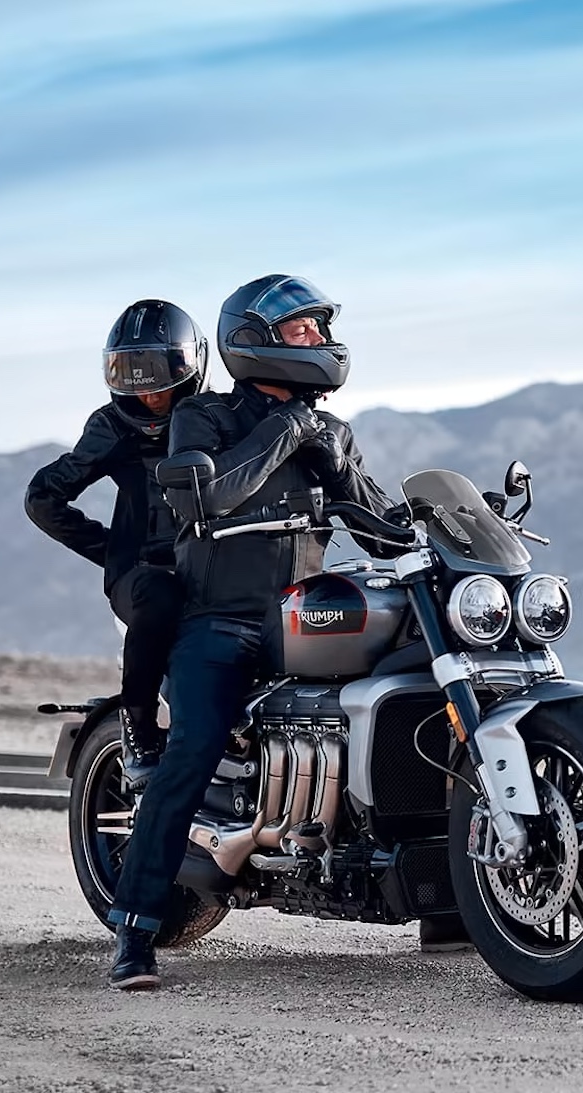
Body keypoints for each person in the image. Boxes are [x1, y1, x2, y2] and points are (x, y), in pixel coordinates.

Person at [103, 275, 464, 989]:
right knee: (194, 749)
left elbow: (383, 525)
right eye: (303, 331)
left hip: (303, 616)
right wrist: (285, 432)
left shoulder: (332, 431)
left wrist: (432, 526)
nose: (320, 341)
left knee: (417, 695)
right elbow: (212, 496)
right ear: (258, 341)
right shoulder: (202, 419)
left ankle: (450, 899)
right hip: (220, 623)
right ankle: (136, 930)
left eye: (319, 330)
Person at [26, 299, 206, 788]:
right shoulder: (111, 426)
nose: (148, 392)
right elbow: (44, 498)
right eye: (132, 373)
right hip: (145, 579)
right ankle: (139, 730)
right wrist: (116, 552)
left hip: (217, 569)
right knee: (159, 596)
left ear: (189, 363)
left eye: (157, 373)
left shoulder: (216, 417)